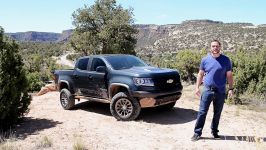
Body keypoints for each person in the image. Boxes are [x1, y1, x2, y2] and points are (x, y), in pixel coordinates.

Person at [191, 40, 234, 141]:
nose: (215, 48)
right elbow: (200, 74)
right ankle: (197, 133)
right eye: (213, 46)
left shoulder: (226, 60)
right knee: (202, 112)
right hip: (207, 90)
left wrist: (231, 88)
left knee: (217, 113)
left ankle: (214, 132)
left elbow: (229, 75)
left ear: (220, 47)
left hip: (220, 91)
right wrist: (197, 87)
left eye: (217, 46)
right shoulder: (205, 60)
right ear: (210, 47)